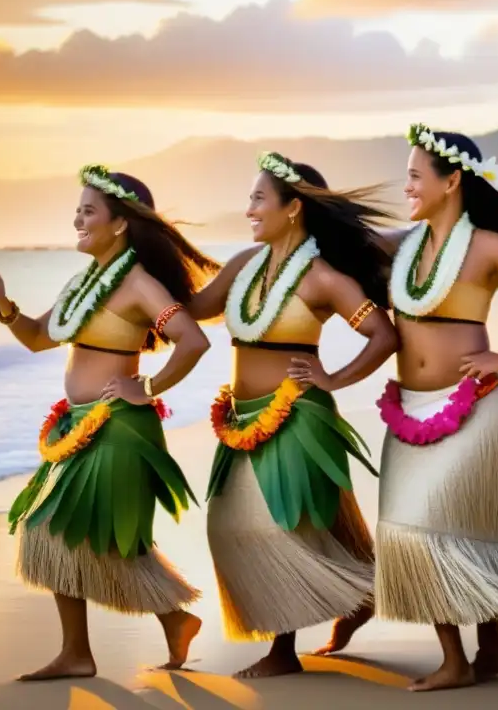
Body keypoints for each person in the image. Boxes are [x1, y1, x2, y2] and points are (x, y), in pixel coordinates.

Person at [0, 165, 219, 680]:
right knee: (94, 539)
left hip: (118, 428)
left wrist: (147, 387)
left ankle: (82, 651)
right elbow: (40, 337)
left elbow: (193, 340)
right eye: (78, 210)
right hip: (78, 426)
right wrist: (3, 305)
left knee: (56, 529)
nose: (78, 219)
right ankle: (161, 624)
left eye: (89, 210)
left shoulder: (138, 285)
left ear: (120, 223)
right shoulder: (86, 281)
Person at [373, 124, 498, 692]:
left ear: (452, 179)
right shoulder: (404, 244)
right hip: (410, 408)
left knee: (438, 527)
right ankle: (486, 648)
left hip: (478, 407)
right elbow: (343, 248)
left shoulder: (489, 246)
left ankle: (458, 661)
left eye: (415, 175)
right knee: (425, 527)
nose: (407, 185)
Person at [187, 151, 398, 678]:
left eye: (259, 198)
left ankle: (283, 652)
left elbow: (383, 335)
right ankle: (359, 595)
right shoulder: (241, 267)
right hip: (241, 419)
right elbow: (192, 310)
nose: (250, 209)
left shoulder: (322, 278)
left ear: (293, 208)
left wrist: (333, 379)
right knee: (226, 525)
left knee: (278, 529)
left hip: (296, 416)